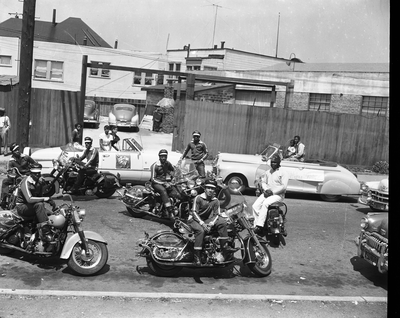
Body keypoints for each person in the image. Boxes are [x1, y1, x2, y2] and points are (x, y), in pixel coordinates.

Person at [188, 179, 238, 265]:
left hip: (206, 219)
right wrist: (202, 224)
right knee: (201, 231)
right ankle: (197, 257)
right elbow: (194, 212)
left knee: (222, 222)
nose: (210, 190)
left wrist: (211, 224)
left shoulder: (215, 200)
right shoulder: (199, 198)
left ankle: (224, 247)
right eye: (208, 188)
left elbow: (217, 214)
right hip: (194, 219)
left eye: (212, 188)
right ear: (205, 189)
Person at [15, 163, 56, 242]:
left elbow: (39, 197)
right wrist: (46, 199)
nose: (37, 175)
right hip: (22, 206)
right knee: (39, 205)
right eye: (35, 173)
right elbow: (29, 199)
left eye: (38, 173)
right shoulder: (25, 182)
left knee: (52, 215)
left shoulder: (39, 182)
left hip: (33, 206)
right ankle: (46, 233)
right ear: (31, 173)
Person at [252, 155, 289, 236]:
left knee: (265, 204)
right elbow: (264, 182)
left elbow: (283, 187)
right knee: (255, 206)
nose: (273, 164)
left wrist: (272, 192)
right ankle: (258, 223)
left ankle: (259, 226)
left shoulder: (283, 173)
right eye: (272, 162)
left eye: (275, 162)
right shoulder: (268, 172)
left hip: (278, 195)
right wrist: (266, 190)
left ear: (279, 163)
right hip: (267, 193)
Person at [1, 142, 38, 209]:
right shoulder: (11, 161)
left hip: (28, 176)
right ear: (12, 152)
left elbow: (35, 163)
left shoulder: (25, 157)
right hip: (17, 177)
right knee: (5, 181)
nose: (17, 151)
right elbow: (9, 171)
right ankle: (3, 200)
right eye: (15, 150)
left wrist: (33, 167)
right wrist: (11, 173)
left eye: (18, 149)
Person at [150, 149, 182, 220]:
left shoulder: (167, 163)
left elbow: (174, 170)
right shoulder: (155, 165)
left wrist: (176, 175)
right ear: (159, 156)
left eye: (165, 156)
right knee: (163, 191)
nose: (163, 158)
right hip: (156, 183)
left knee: (177, 192)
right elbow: (153, 179)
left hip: (165, 182)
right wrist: (164, 183)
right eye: (162, 156)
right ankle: (169, 211)